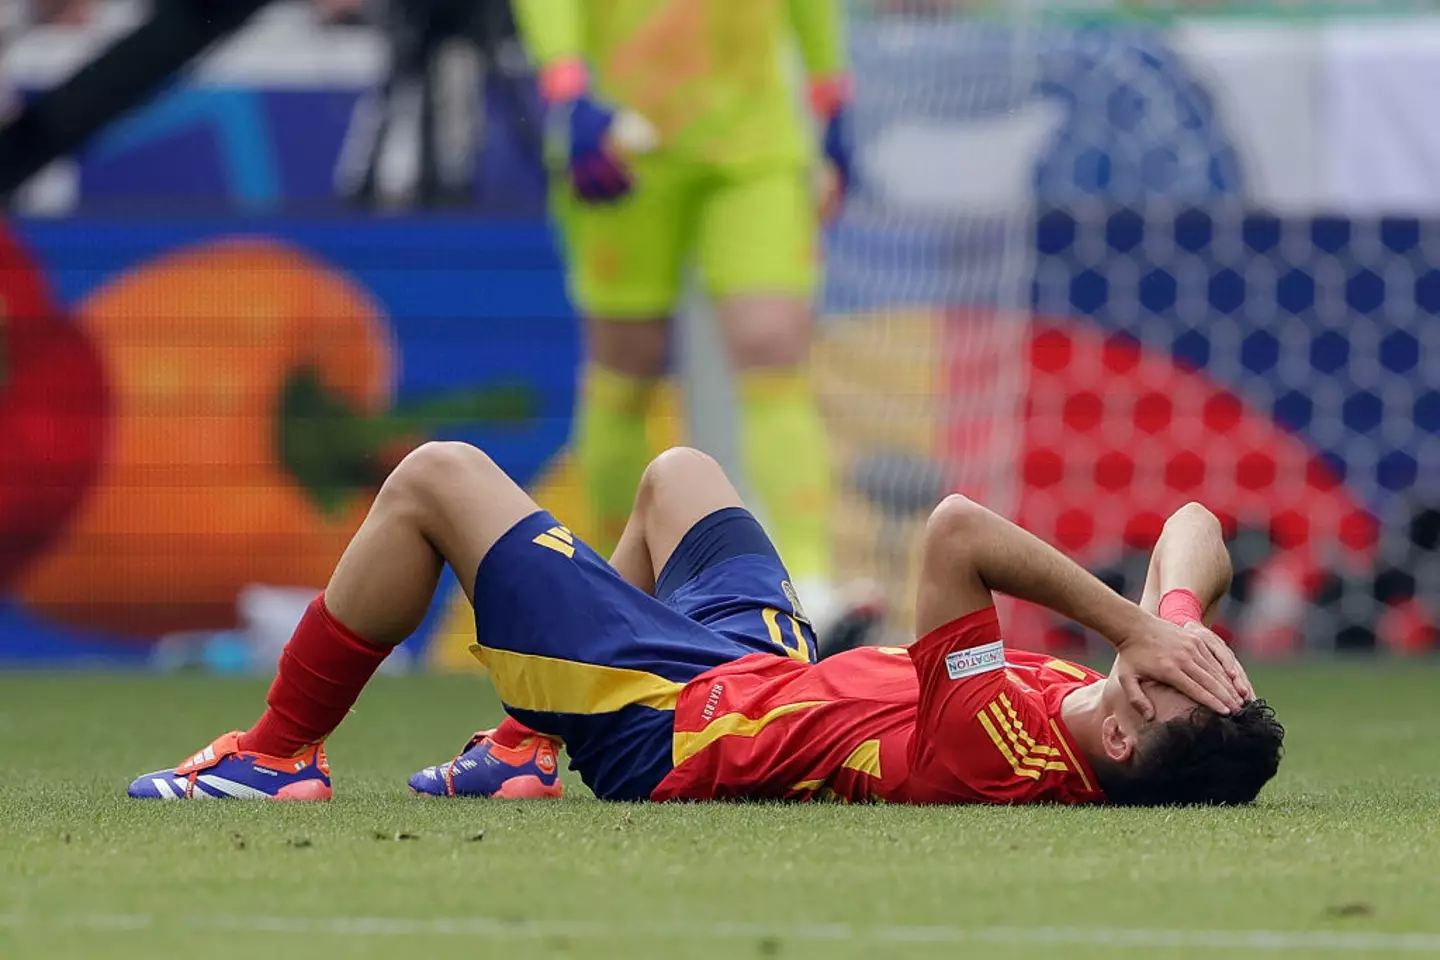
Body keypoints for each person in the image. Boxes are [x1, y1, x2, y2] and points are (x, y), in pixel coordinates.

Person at [128, 442, 1279, 806]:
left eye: (1179, 672)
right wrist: (1173, 615)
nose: (1182, 657)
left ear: (1125, 737)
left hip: (670, 725)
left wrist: (1133, 622)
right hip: (766, 675)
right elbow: (1195, 520)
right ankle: (522, 750)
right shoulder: (1132, 691)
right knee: (679, 474)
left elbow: (955, 532)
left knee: (436, 477)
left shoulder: (1006, 754)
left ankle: (278, 755)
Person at [510, 0, 859, 637]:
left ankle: (808, 581)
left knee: (773, 342)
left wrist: (830, 92)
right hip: (623, 137)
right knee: (627, 364)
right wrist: (567, 91)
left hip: (754, 143)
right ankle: (622, 588)